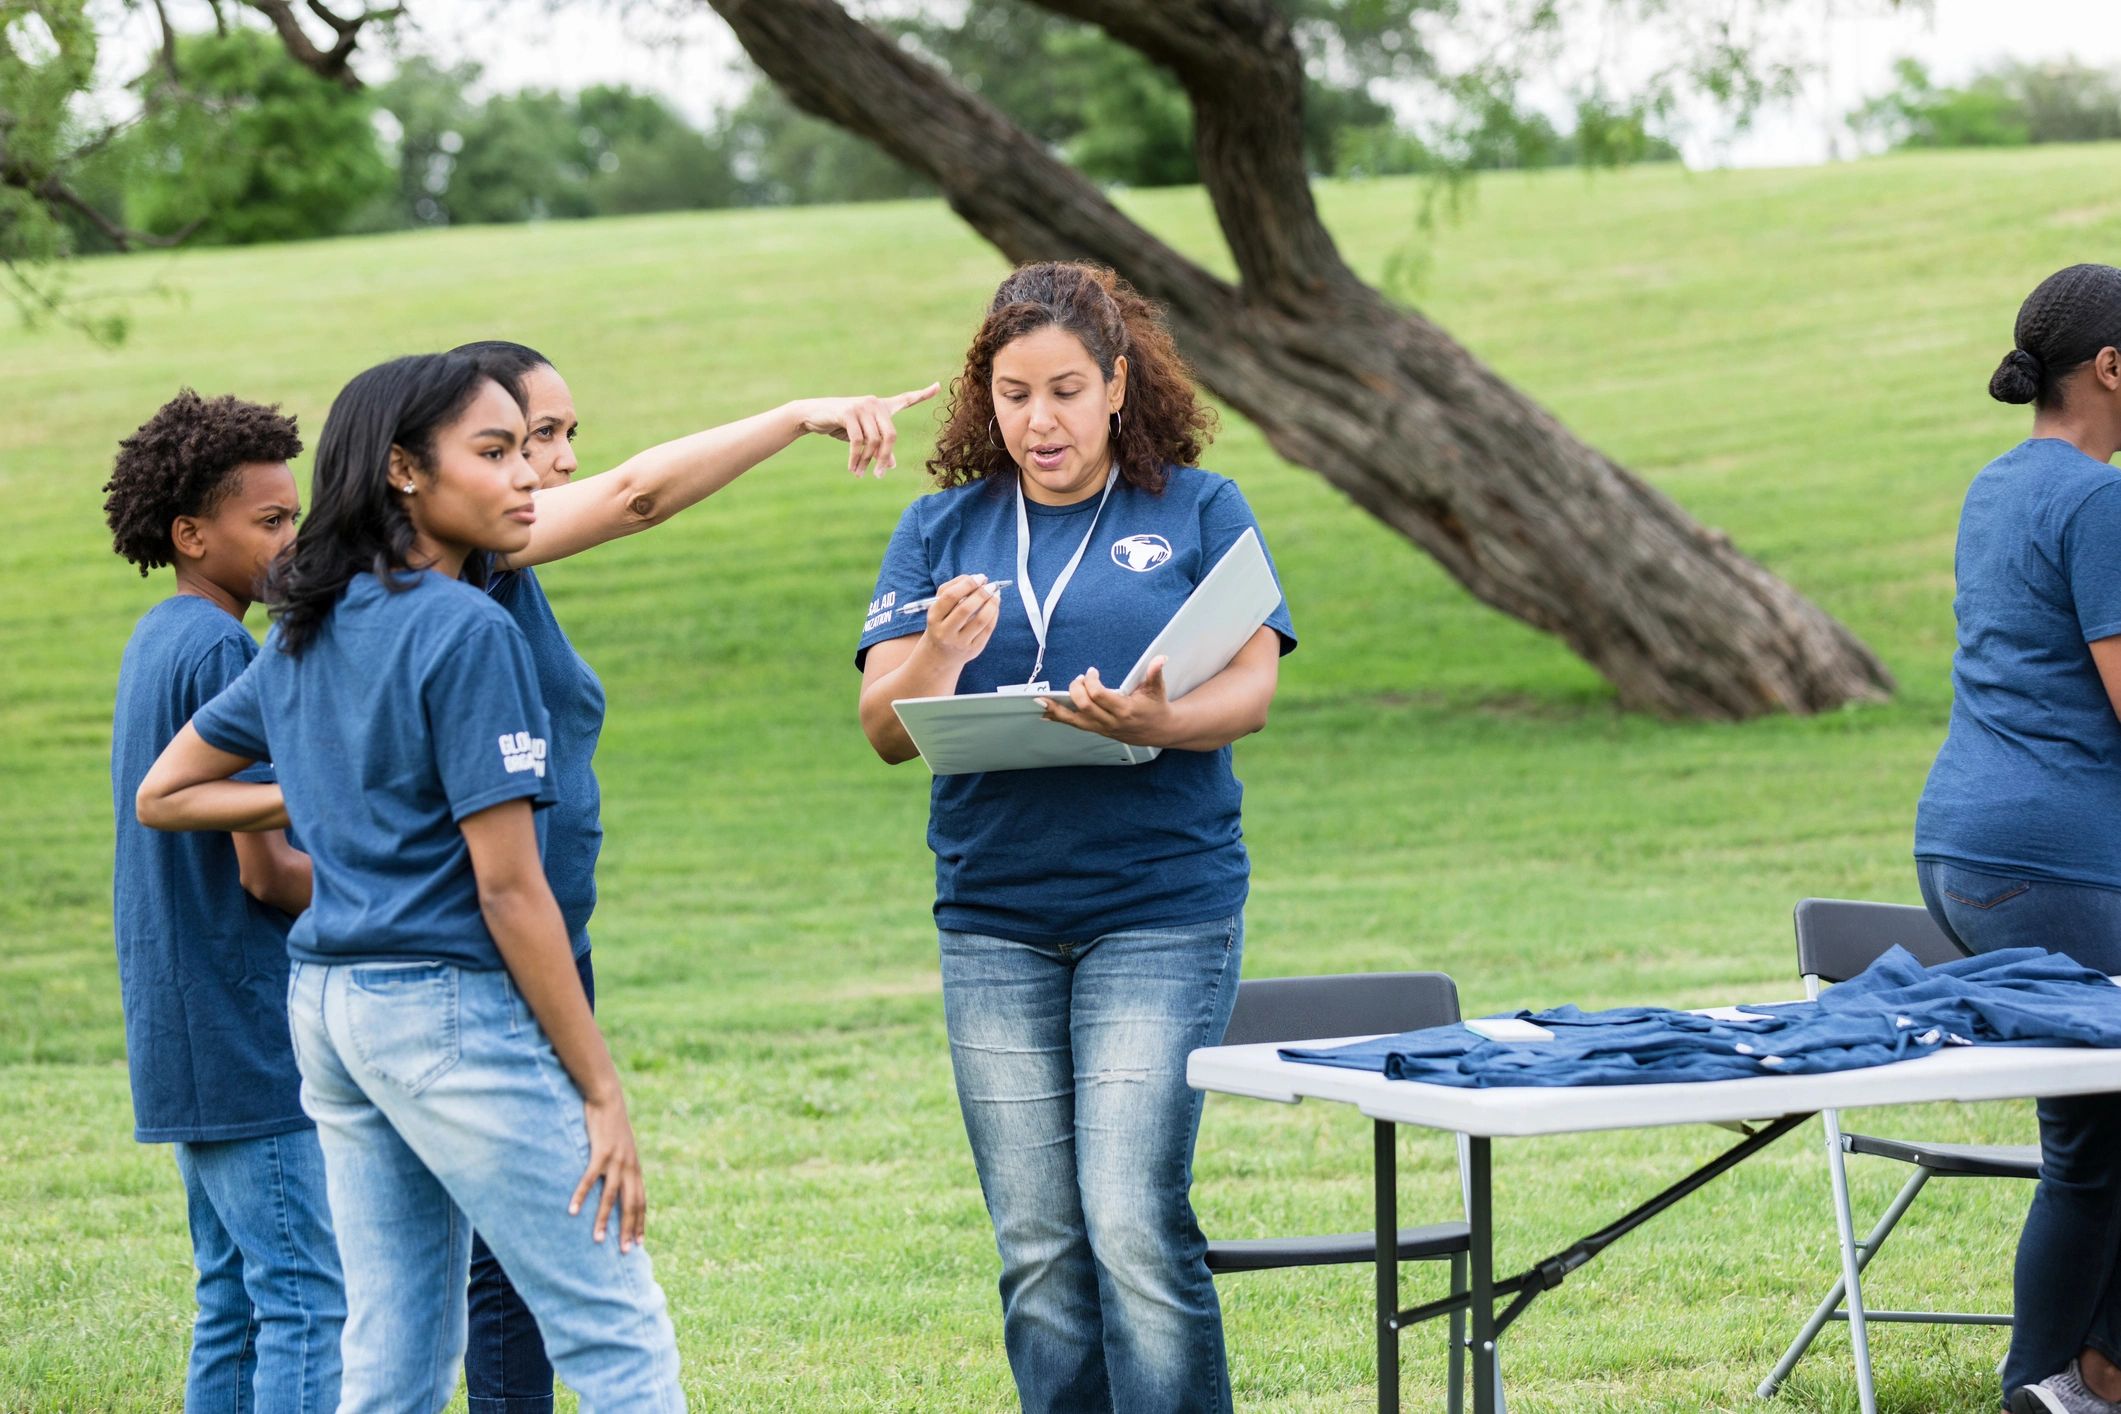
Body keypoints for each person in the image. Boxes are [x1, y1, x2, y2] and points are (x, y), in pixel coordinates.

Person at [136, 353, 685, 1410]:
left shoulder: (310, 621)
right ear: (401, 471)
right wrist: (601, 1091)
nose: (528, 475)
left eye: (527, 450)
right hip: (445, 1012)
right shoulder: (469, 628)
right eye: (493, 453)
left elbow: (169, 789)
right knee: (615, 1327)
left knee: (390, 1357)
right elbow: (511, 893)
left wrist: (314, 789)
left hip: (333, 1015)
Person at [447, 338, 936, 1412]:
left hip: (543, 940)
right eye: (537, 436)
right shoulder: (471, 554)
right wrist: (798, 412)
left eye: (567, 434)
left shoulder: (493, 567)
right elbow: (636, 496)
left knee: (499, 1256)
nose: (564, 460)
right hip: (495, 948)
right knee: (521, 1254)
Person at [853, 261, 1295, 1414]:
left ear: (1115, 385)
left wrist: (1159, 722)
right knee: (1040, 1245)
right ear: (982, 399)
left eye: (1061, 391)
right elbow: (883, 729)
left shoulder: (1200, 508)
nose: (1037, 421)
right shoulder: (939, 526)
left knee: (1132, 1220)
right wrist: (941, 652)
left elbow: (1249, 690)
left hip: (1160, 908)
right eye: (1010, 394)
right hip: (995, 917)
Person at [103, 391, 343, 1411]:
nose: (294, 541)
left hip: (182, 1025)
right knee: (303, 1296)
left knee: (233, 1297)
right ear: (192, 533)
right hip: (244, 1027)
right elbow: (269, 869)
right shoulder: (222, 655)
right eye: (271, 521)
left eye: (298, 516)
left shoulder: (159, 637)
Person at [1913, 262, 2121, 1414]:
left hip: (1963, 849)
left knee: (2095, 1135)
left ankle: (2079, 1377)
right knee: (2098, 1138)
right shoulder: (2099, 501)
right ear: (2109, 367)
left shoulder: (1999, 484)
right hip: (2054, 857)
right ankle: (2054, 1381)